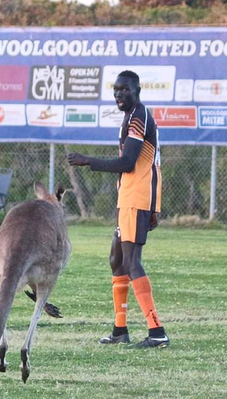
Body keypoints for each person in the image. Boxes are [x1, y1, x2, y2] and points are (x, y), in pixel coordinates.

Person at [68, 70, 169, 349]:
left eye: (124, 89)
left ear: (137, 90)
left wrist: (89, 160)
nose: (118, 95)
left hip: (137, 197)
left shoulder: (139, 116)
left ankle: (157, 331)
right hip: (128, 197)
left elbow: (129, 162)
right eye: (115, 90)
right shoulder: (131, 116)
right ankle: (120, 330)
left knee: (132, 261)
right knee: (116, 258)